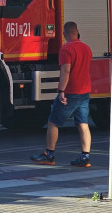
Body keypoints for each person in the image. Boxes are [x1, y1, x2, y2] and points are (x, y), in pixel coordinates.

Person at [31, 21, 93, 167]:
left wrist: (61, 91)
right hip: (85, 92)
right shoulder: (86, 48)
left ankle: (49, 155)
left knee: (53, 122)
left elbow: (66, 70)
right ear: (77, 32)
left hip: (71, 92)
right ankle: (85, 157)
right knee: (83, 124)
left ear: (65, 33)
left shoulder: (66, 49)